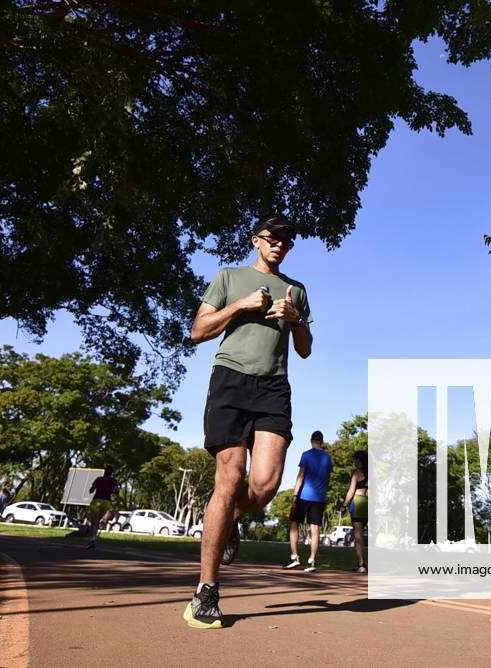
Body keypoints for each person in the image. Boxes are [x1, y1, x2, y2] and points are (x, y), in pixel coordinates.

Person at [183, 213, 313, 629]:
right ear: (257, 239)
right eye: (274, 237)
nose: (280, 244)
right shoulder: (228, 277)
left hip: (274, 386)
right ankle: (206, 592)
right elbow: (198, 331)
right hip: (230, 381)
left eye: (287, 240)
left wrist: (294, 320)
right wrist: (241, 306)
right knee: (230, 477)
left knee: (265, 484)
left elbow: (306, 349)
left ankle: (229, 522)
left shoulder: (297, 290)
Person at [285, 431, 332, 573]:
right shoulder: (327, 457)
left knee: (294, 524)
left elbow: (301, 475)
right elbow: (327, 478)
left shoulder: (306, 455)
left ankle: (294, 557)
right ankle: (311, 561)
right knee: (315, 530)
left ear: (311, 441)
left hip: (304, 495)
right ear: (322, 442)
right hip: (319, 497)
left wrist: (295, 494)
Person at [343, 450, 368, 573]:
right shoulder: (371, 474)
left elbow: (351, 491)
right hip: (367, 504)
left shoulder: (356, 473)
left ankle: (361, 563)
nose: (355, 462)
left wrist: (344, 504)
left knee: (358, 536)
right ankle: (362, 561)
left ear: (360, 461)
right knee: (361, 535)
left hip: (357, 503)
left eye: (356, 460)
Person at [86, 467, 119, 549]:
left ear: (104, 472)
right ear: (112, 473)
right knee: (97, 521)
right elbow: (116, 492)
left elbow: (91, 491)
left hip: (97, 500)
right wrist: (110, 490)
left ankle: (92, 539)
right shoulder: (114, 481)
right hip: (107, 502)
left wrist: (96, 487)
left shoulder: (98, 479)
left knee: (94, 522)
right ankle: (94, 537)